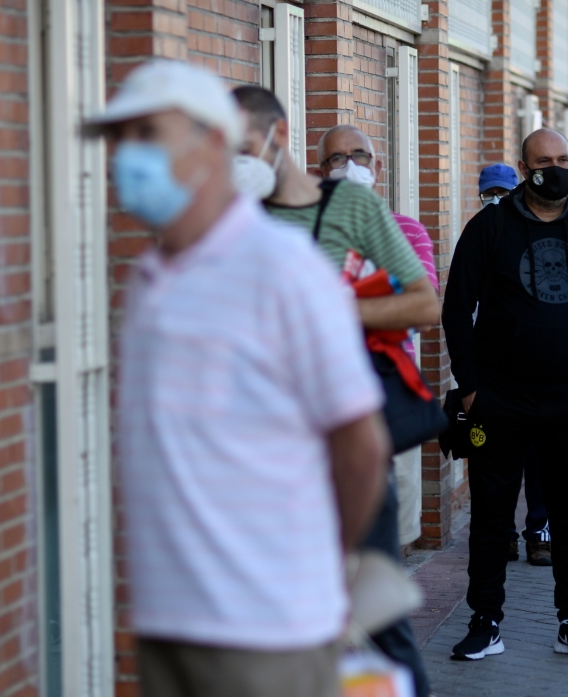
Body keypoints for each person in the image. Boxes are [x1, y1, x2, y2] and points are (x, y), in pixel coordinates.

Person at [88, 60, 389, 697]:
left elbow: (360, 448)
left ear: (215, 145)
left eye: (149, 135)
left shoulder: (283, 270)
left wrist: (313, 569)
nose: (126, 157)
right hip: (166, 621)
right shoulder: (148, 278)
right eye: (120, 140)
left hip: (268, 630)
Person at [231, 88, 437, 697]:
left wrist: (332, 305)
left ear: (277, 137)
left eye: (241, 147)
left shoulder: (350, 206)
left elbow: (424, 302)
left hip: (349, 436)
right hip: (270, 445)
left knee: (374, 612)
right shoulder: (231, 217)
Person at [443, 128, 568, 661]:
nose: (558, 167)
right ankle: (485, 621)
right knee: (491, 516)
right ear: (524, 169)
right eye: (545, 161)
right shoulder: (490, 227)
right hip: (499, 401)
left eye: (565, 158)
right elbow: (457, 307)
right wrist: (472, 388)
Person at [478, 163, 552, 565]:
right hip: (494, 369)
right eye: (488, 194)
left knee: (539, 458)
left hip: (537, 368)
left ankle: (539, 531)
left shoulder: (533, 235)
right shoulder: (478, 234)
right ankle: (504, 532)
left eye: (502, 194)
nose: (495, 201)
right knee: (500, 459)